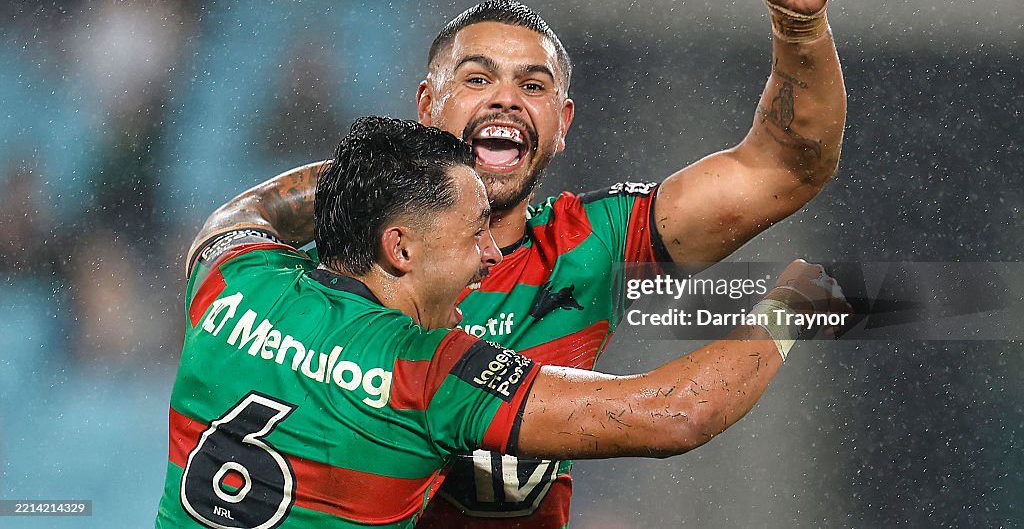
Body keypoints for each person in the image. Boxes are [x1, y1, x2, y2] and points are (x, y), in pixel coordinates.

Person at [236, 0, 846, 527]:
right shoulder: (339, 243)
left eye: (533, 85)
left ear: (563, 125)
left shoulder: (594, 245)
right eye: (477, 77)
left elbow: (786, 166)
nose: (504, 97)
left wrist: (799, 26)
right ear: (425, 106)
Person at [156, 116, 849, 528]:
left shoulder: (231, 282)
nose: (491, 255)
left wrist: (383, 176)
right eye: (472, 233)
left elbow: (248, 210)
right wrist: (790, 311)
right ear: (400, 248)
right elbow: (677, 413)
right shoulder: (430, 374)